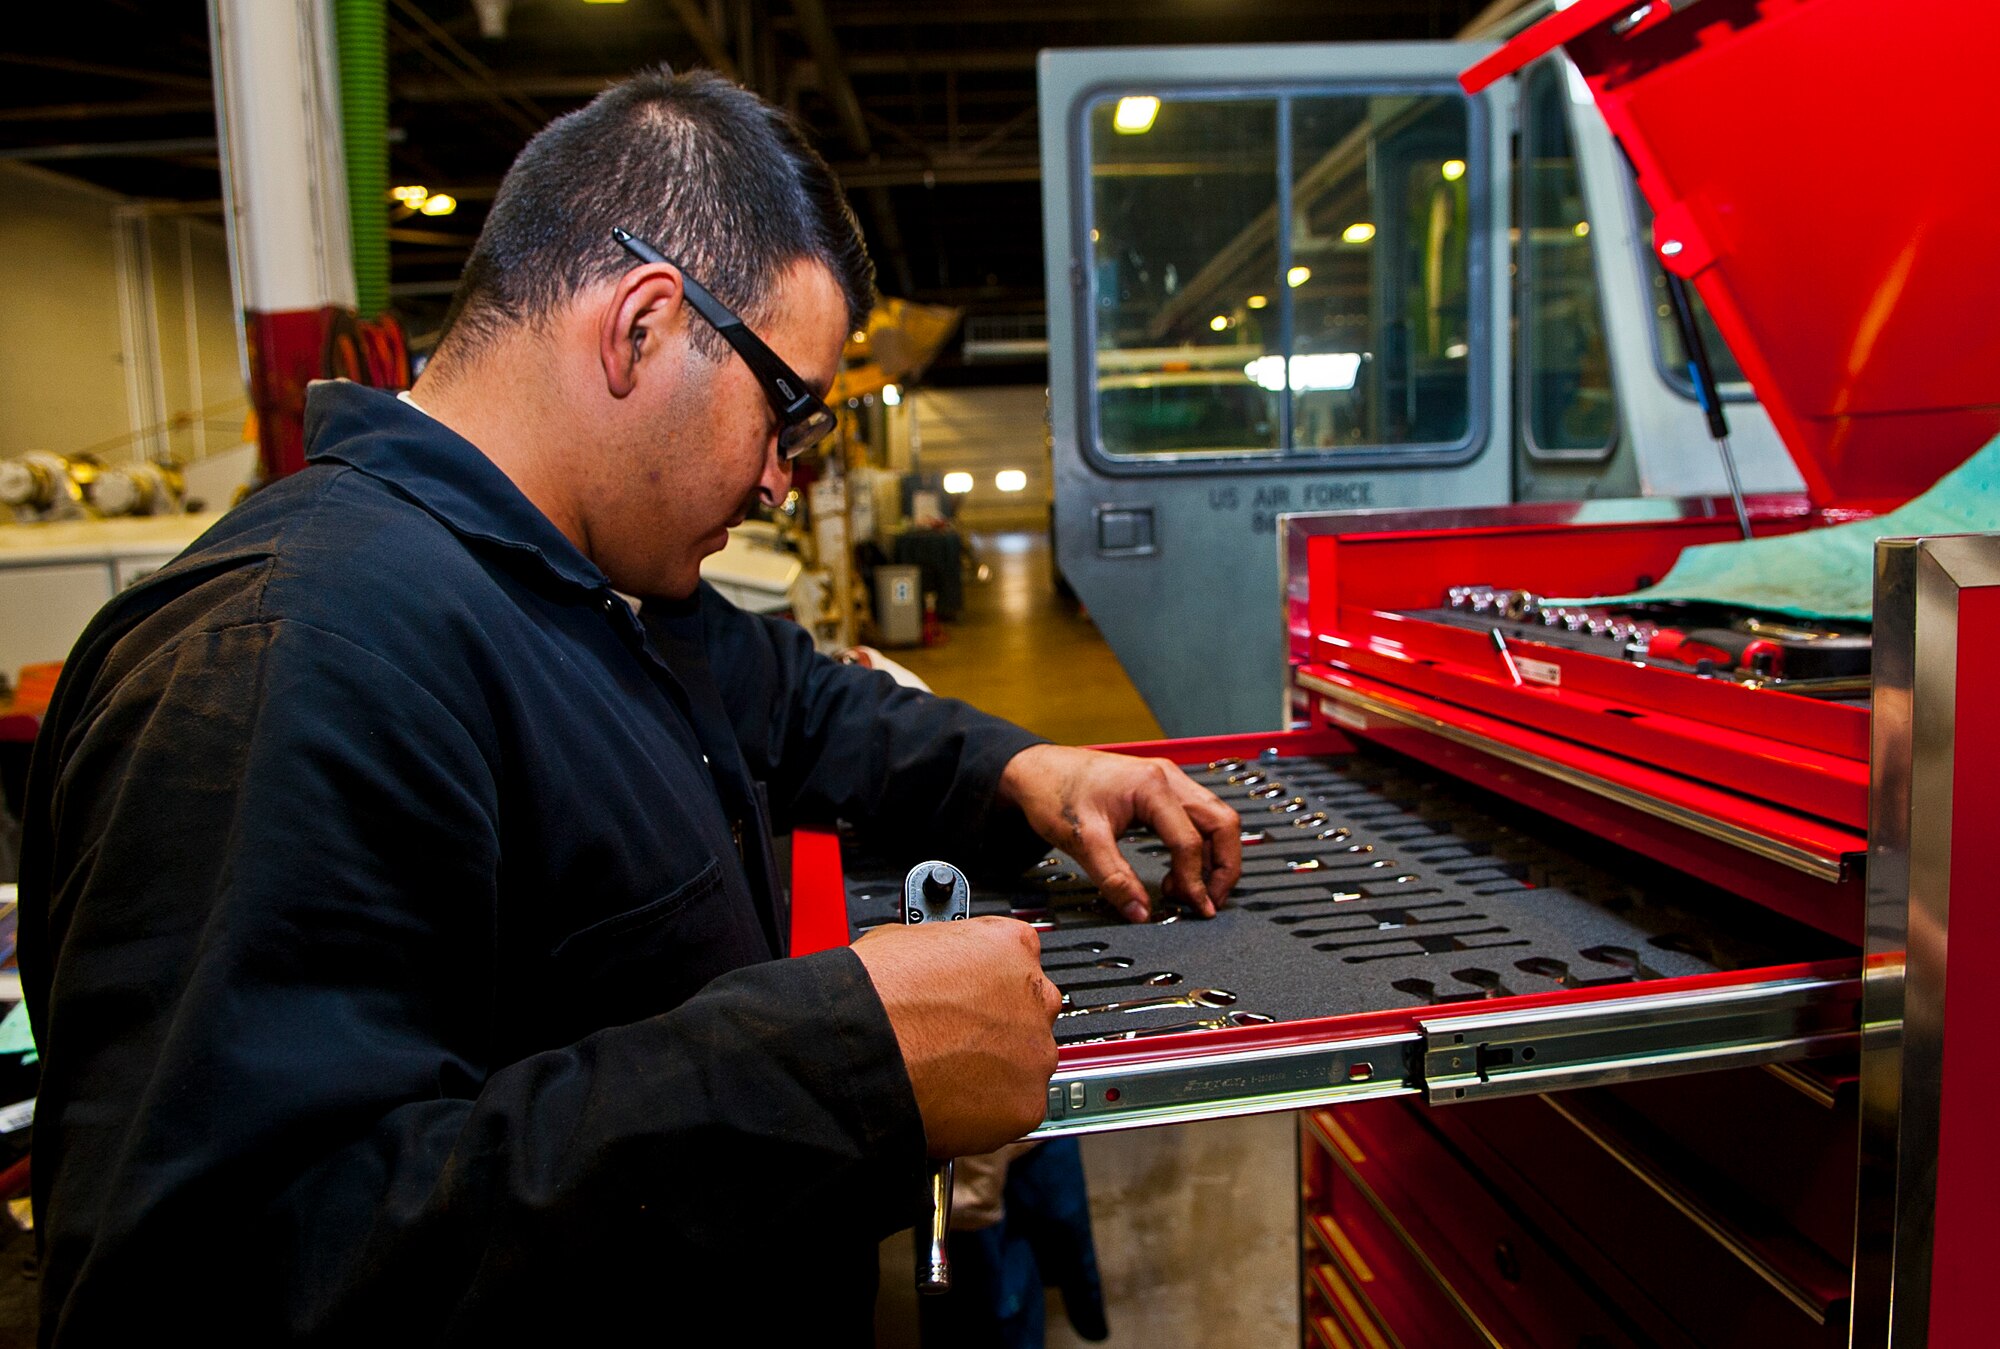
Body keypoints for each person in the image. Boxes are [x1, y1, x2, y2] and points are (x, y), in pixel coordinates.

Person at [17, 69, 1240, 1345]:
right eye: (786, 416)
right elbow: (207, 1284)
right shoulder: (291, 657)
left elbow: (805, 703)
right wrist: (846, 1057)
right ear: (645, 323)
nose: (782, 481)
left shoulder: (580, 580)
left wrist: (1026, 771)